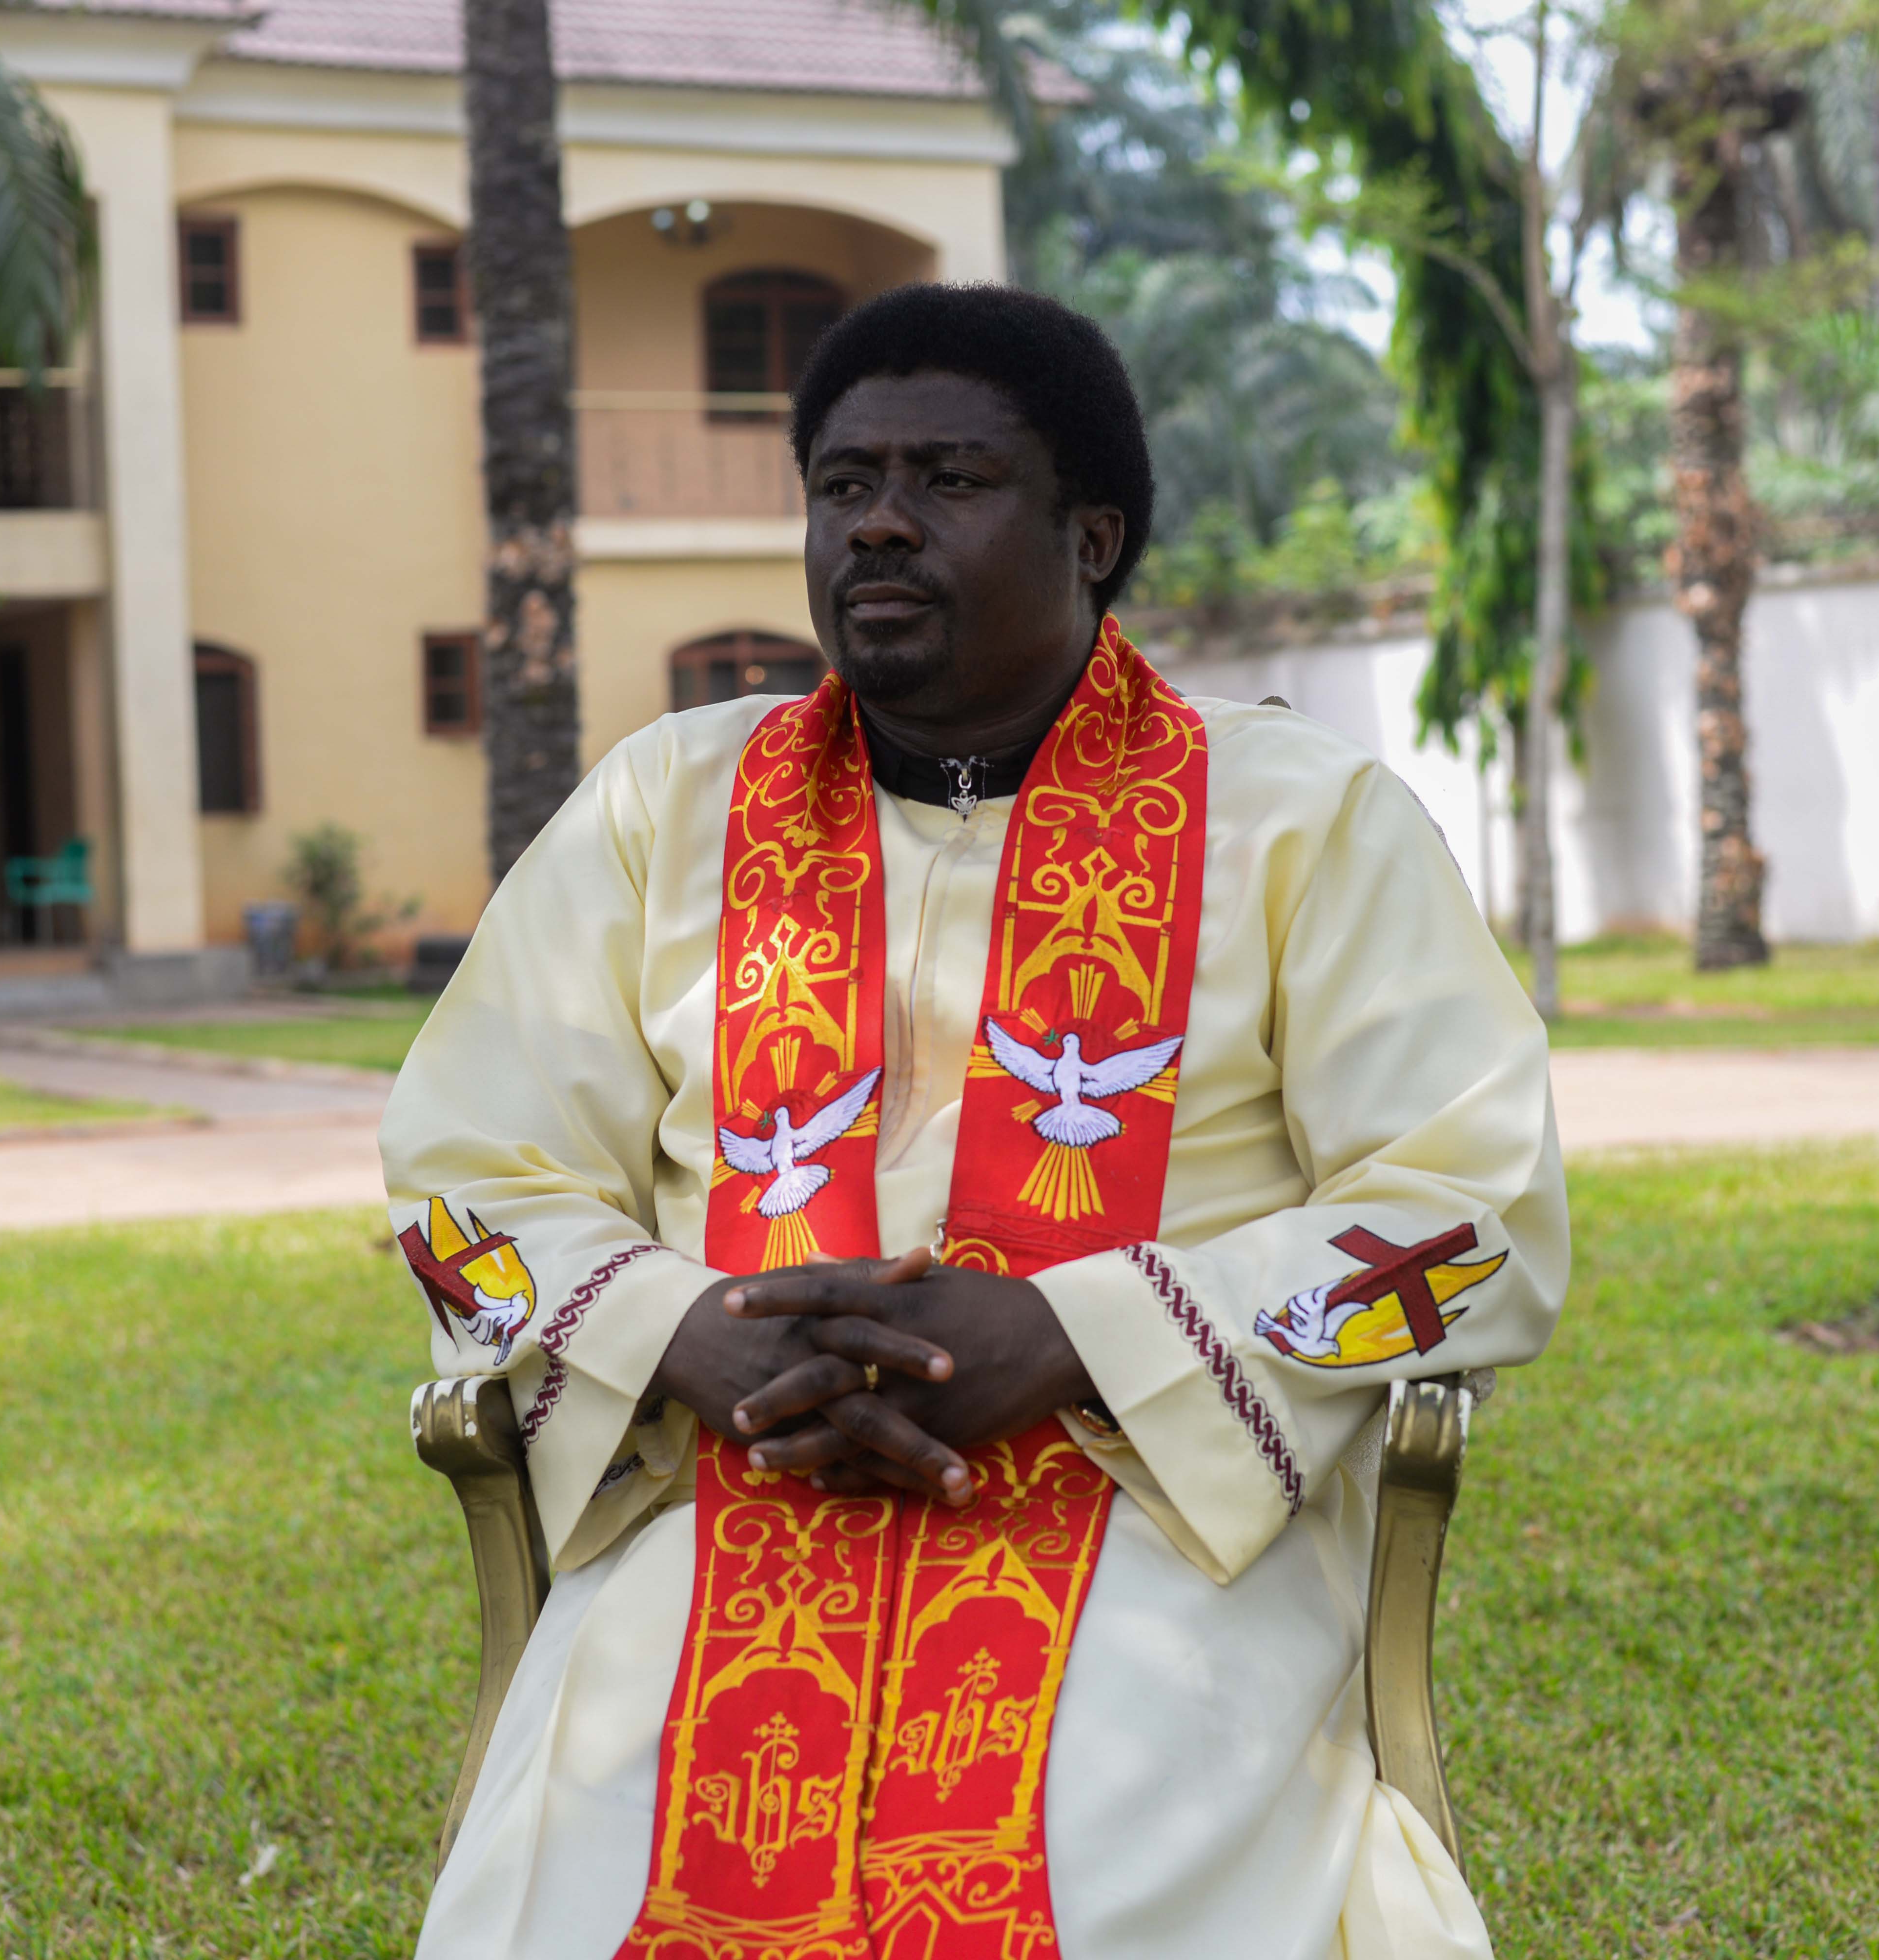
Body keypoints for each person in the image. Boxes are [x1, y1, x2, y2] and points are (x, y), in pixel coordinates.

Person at [387, 282, 1568, 1960]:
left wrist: (1076, 1333)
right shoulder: (666, 805)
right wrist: (687, 1333)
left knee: (1101, 1867)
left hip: (1142, 1502)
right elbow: (459, 1171)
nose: (878, 524)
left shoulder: (1307, 820)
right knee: (598, 1858)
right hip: (737, 1487)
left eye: (949, 480)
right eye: (841, 483)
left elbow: (1476, 1212)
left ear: (1093, 534)